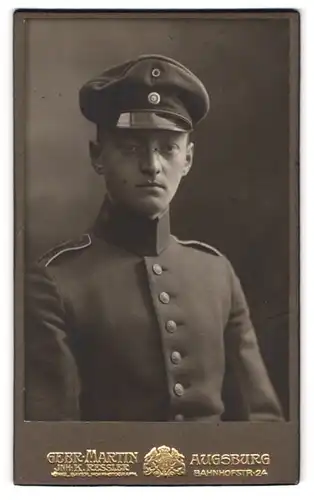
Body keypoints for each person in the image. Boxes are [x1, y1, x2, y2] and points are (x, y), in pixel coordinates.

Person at [25, 54, 282, 422]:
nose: (151, 165)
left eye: (167, 147)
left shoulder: (216, 272)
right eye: (131, 147)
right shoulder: (55, 281)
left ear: (188, 159)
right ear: (98, 156)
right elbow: (56, 447)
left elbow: (264, 430)